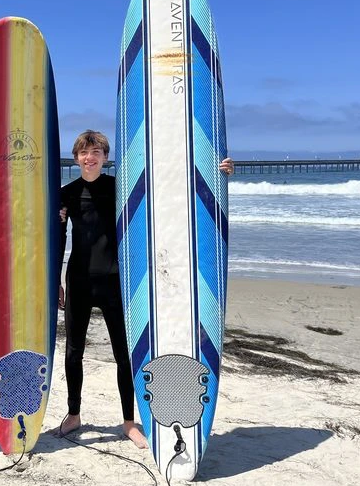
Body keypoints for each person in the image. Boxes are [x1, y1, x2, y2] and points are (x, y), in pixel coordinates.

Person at [57, 130, 234, 447]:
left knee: (124, 355)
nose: (90, 157)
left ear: (106, 157)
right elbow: (56, 240)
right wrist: (56, 280)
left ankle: (128, 421)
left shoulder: (119, 189)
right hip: (79, 280)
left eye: (96, 152)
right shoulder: (65, 194)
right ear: (76, 158)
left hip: (116, 282)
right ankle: (73, 413)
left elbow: (166, 187)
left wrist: (213, 169)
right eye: (84, 153)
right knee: (73, 351)